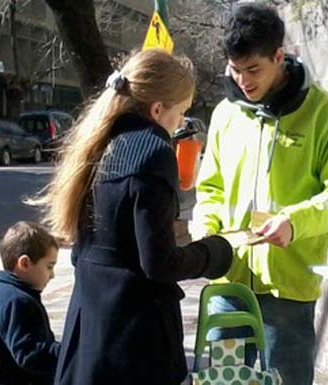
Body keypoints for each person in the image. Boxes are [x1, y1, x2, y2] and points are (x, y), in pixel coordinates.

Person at [36, 49, 236, 385]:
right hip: (134, 337)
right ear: (158, 109)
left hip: (90, 325)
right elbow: (159, 264)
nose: (180, 125)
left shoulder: (98, 143)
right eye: (181, 114)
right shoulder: (153, 152)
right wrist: (215, 253)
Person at [192, 3, 328, 384]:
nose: (244, 81)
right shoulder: (224, 114)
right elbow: (211, 187)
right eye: (235, 71)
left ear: (279, 57)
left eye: (254, 70)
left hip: (288, 290)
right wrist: (205, 227)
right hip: (228, 284)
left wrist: (295, 222)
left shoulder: (327, 113)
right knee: (221, 379)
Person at [0, 221, 60, 385]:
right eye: (49, 267)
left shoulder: (6, 292)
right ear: (24, 264)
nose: (53, 275)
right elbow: (30, 354)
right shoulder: (17, 301)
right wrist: (68, 352)